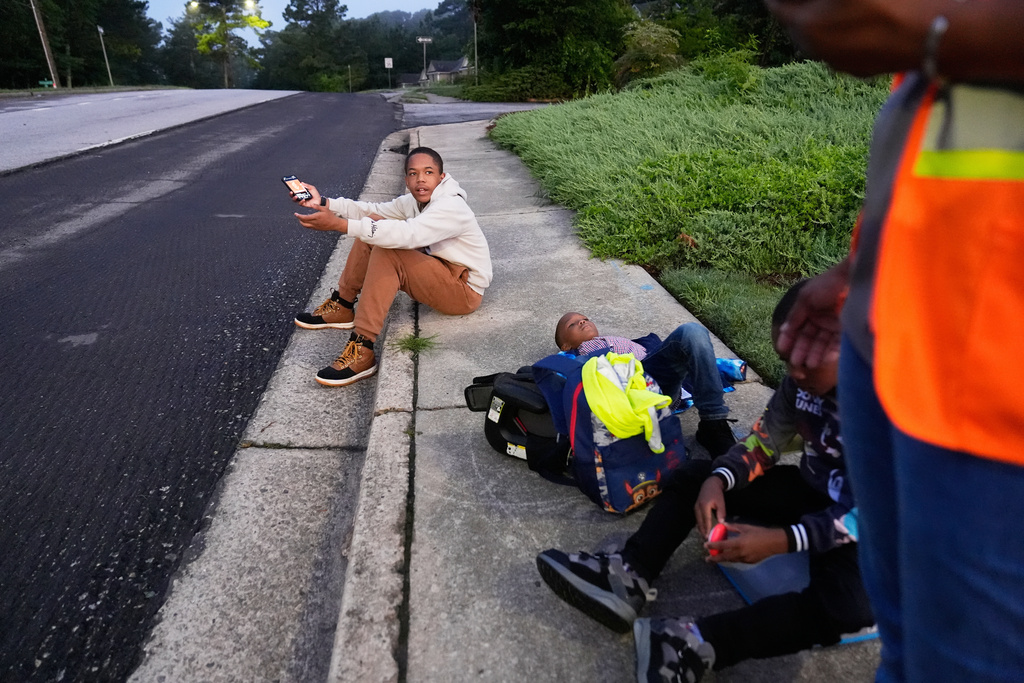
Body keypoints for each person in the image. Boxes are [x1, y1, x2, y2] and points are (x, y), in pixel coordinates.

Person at [765, 2, 1024, 681]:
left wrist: (937, 28)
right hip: (894, 329)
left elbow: (837, 518)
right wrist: (864, 267)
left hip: (998, 383)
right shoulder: (801, 398)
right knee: (908, 648)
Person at [537, 283, 874, 682]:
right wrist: (719, 478)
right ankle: (627, 574)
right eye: (787, 361)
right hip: (813, 489)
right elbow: (764, 443)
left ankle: (693, 642)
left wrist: (783, 539)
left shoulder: (891, 408)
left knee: (848, 609)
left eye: (808, 360)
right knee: (694, 475)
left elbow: (879, 512)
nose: (796, 373)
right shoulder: (800, 383)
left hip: (868, 522)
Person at [290, 147, 491, 387]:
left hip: (463, 291)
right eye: (413, 174)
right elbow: (371, 211)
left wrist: (340, 225)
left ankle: (363, 348)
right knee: (374, 226)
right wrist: (324, 202)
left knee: (388, 250)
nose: (421, 179)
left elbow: (409, 234)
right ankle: (343, 305)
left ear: (442, 177)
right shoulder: (413, 201)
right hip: (439, 271)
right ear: (406, 180)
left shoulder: (451, 207)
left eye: (428, 172)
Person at [554, 312, 736, 456]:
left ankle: (713, 424)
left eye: (585, 319)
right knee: (690, 333)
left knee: (692, 331)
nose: (582, 322)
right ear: (565, 346)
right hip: (631, 390)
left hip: (656, 377)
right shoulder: (577, 356)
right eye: (572, 324)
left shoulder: (616, 340)